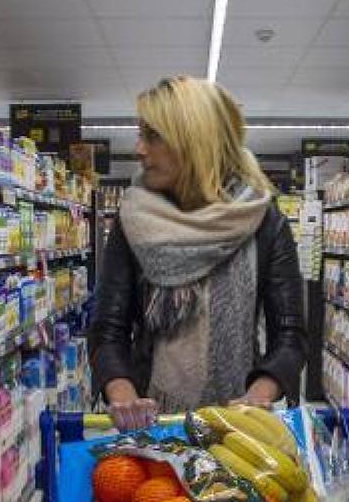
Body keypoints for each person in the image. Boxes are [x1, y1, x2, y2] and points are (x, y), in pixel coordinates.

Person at [89, 76, 307, 431]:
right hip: (152, 420)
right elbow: (107, 329)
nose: (139, 149)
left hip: (239, 423)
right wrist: (122, 392)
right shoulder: (134, 222)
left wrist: (259, 394)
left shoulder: (265, 222)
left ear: (194, 142)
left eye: (152, 136)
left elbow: (290, 334)